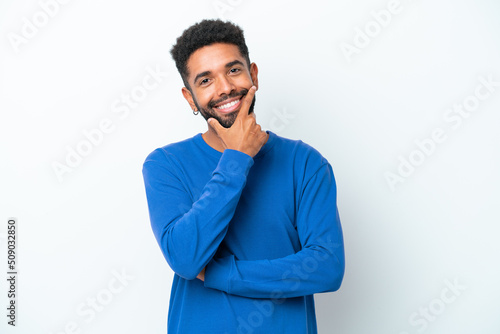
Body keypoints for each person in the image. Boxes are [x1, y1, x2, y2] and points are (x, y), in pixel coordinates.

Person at [142, 19, 345, 334]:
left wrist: (219, 274)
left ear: (254, 75)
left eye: (233, 70)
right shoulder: (166, 164)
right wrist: (237, 159)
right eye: (205, 79)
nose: (224, 88)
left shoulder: (305, 163)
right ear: (189, 97)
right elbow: (184, 258)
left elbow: (326, 267)